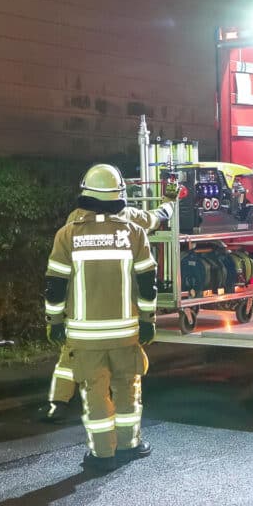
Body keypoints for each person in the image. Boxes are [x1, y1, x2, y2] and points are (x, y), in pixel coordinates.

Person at [44, 163, 157, 471]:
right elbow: (147, 281)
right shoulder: (134, 233)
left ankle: (102, 455)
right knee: (127, 387)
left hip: (85, 336)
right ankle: (129, 445)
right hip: (125, 332)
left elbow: (55, 284)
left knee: (94, 394)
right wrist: (148, 319)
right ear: (119, 195)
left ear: (86, 194)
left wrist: (54, 323)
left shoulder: (67, 235)